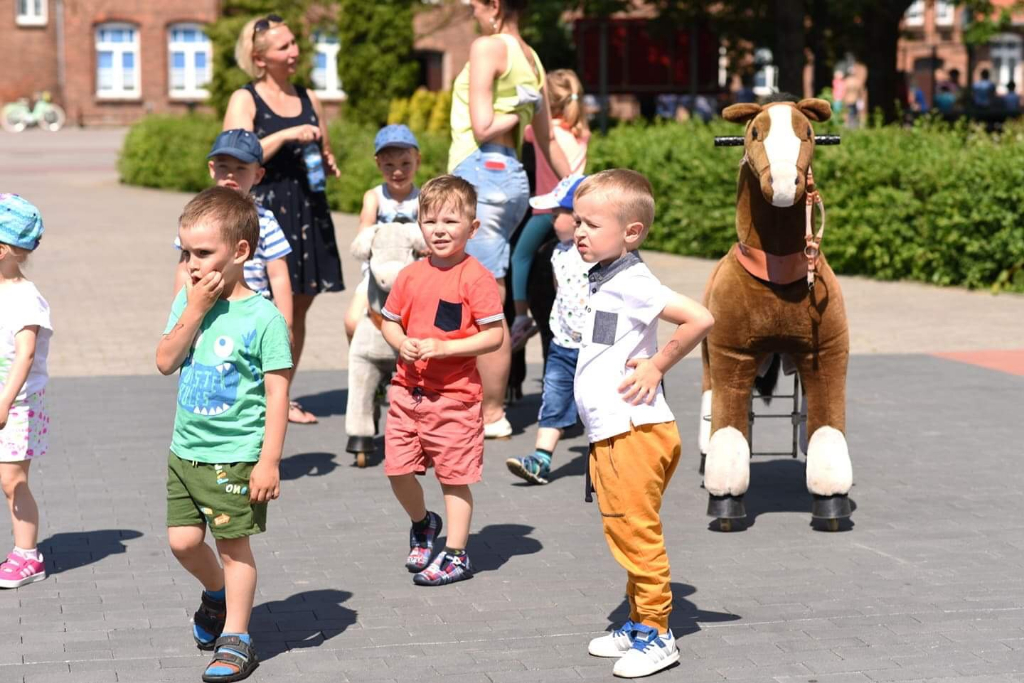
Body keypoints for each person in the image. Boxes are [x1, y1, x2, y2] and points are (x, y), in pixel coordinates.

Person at [572, 170, 714, 678]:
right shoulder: (609, 275)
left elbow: (699, 317)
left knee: (636, 533)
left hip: (633, 432)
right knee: (626, 530)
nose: (578, 231)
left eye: (591, 223)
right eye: (577, 221)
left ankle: (658, 634)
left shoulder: (633, 279)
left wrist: (657, 365)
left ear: (631, 232)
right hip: (613, 432)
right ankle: (637, 623)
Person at [156, 187, 292, 683]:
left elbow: (278, 395)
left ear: (240, 252)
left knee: (234, 548)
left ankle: (237, 638)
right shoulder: (187, 302)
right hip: (184, 452)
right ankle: (215, 596)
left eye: (203, 253)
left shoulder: (264, 319)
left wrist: (269, 461)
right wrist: (192, 309)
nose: (192, 264)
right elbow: (165, 362)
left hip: (234, 456)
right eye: (186, 252)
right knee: (183, 543)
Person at [448, 0, 571, 439]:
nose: (470, 10)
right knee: (489, 298)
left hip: (480, 172)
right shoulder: (532, 58)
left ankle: (491, 413)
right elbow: (548, 138)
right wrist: (578, 183)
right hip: (511, 178)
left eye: (475, 4)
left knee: (481, 307)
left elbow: (481, 126)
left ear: (495, 5)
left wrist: (516, 109)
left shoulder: (487, 47)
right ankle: (486, 405)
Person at [380, 176, 504, 586]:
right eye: (430, 220)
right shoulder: (411, 275)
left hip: (455, 399)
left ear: (473, 227)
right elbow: (389, 322)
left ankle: (456, 554)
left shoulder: (476, 278)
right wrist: (402, 343)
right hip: (405, 393)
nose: (439, 229)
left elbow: (494, 335)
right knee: (397, 471)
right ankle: (423, 523)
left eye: (451, 221)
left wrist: (445, 348)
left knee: (454, 478)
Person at [223, 13, 343, 425]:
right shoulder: (245, 99)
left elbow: (322, 150)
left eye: (294, 44)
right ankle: (249, 392)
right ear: (259, 58)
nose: (294, 53)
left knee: (298, 307)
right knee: (258, 306)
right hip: (264, 211)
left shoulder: (309, 97)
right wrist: (287, 135)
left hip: (307, 209)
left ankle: (282, 395)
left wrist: (327, 161)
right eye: (283, 47)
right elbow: (238, 153)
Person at [505, 175, 588, 484]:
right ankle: (541, 458)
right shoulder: (558, 253)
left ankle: (610, 457)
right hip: (562, 345)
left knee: (598, 404)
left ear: (580, 217)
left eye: (557, 215)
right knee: (552, 397)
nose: (552, 222)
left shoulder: (603, 256)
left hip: (598, 348)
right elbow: (560, 294)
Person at [173, 129, 293, 324]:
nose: (231, 174)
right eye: (223, 166)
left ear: (258, 174)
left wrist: (286, 323)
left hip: (251, 315)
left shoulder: (266, 221)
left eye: (241, 168)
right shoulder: (197, 218)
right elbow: (183, 269)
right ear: (212, 168)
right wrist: (180, 314)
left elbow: (278, 275)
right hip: (205, 310)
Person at [509, 69, 589, 351]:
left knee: (519, 255)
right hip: (576, 206)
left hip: (549, 208)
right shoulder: (581, 132)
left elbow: (523, 126)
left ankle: (520, 316)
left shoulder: (544, 132)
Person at [0, 194, 51, 589]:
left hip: (16, 405)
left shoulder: (25, 298)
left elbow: (25, 355)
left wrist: (4, 402)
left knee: (13, 480)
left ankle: (27, 556)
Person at [344, 124, 422, 341]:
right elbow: (365, 228)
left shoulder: (422, 199)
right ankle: (362, 364)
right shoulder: (374, 197)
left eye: (405, 163)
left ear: (418, 161)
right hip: (376, 275)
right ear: (378, 164)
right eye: (389, 165)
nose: (398, 171)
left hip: (412, 275)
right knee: (352, 322)